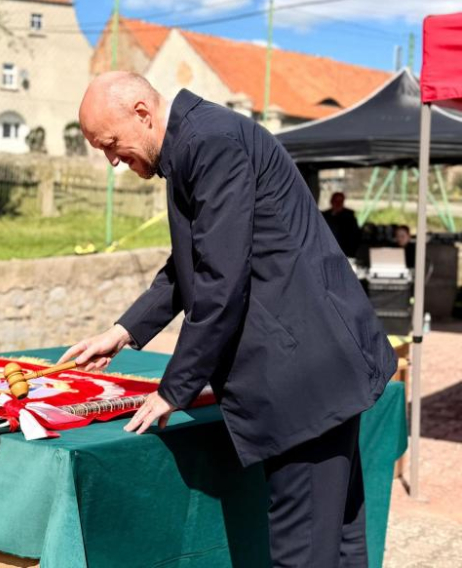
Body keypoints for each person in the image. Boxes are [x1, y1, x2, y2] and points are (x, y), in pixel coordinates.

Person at [61, 72, 396, 567]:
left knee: (306, 552)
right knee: (337, 544)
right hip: (319, 366)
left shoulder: (210, 143)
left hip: (302, 379)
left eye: (111, 144)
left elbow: (221, 279)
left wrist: (173, 389)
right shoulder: (193, 145)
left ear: (142, 112)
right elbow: (189, 264)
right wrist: (122, 331)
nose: (112, 160)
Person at [322, 191, 361, 257]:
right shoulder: (325, 216)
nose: (338, 204)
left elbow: (355, 235)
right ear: (332, 201)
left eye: (340, 201)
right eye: (336, 201)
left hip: (345, 251)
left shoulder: (349, 216)